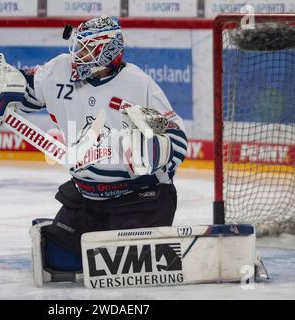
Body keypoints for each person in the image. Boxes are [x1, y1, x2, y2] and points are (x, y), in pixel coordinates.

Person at [14, 16, 188, 273]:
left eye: (85, 49)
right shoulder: (59, 71)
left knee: (122, 273)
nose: (77, 55)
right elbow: (26, 90)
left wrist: (154, 150)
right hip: (86, 198)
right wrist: (1, 88)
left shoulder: (135, 86)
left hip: (138, 201)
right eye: (77, 47)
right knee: (59, 263)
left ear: (106, 51)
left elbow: (176, 138)